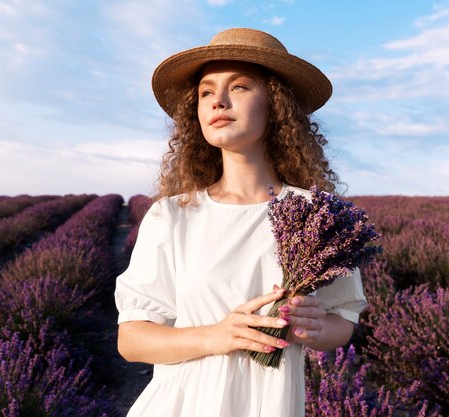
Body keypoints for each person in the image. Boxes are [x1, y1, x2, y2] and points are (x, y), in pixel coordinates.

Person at [114, 27, 367, 417]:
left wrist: (314, 329)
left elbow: (343, 320)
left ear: (276, 104)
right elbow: (132, 340)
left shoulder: (317, 215)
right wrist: (218, 336)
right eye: (206, 92)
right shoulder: (173, 215)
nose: (219, 101)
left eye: (240, 87)